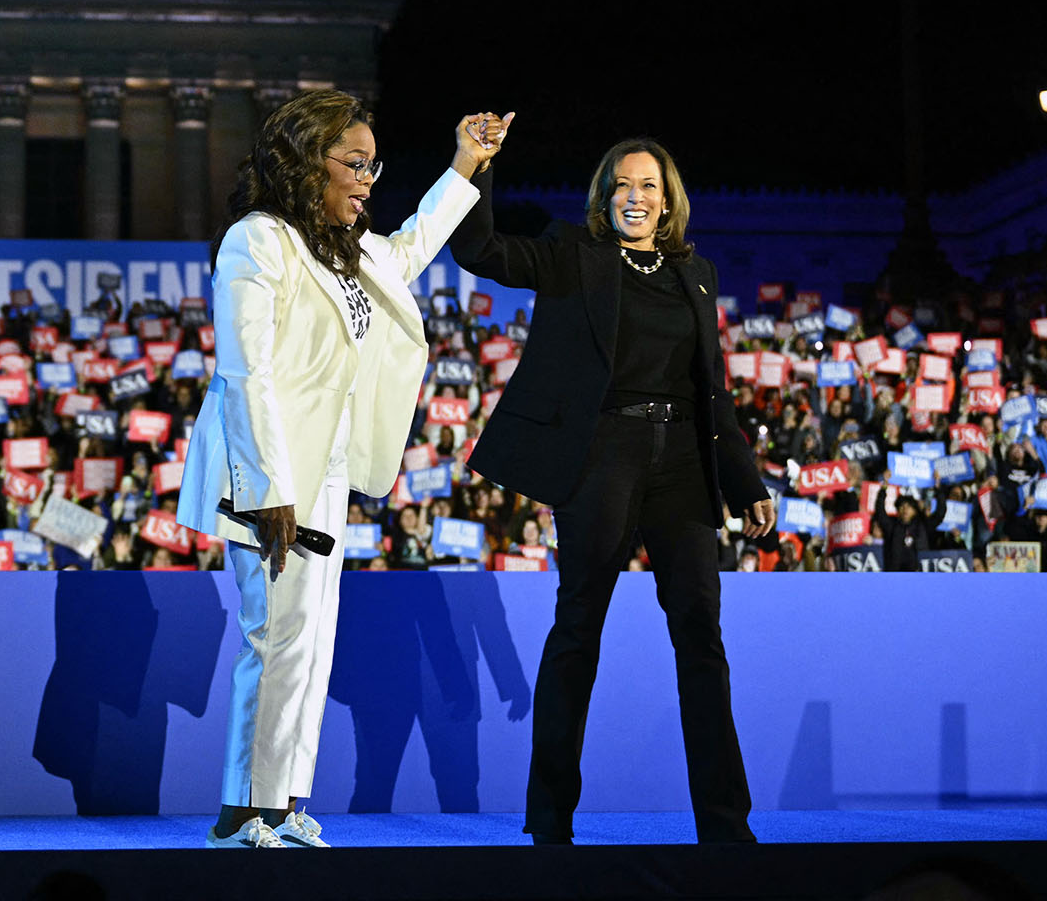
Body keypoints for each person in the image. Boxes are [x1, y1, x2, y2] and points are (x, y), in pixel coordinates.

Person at [175, 89, 505, 850]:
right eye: (353, 163)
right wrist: (267, 493)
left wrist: (464, 164)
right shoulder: (258, 241)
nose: (367, 179)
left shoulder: (348, 248)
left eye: (372, 164)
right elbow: (244, 374)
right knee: (274, 638)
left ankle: (284, 802)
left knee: (312, 642)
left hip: (324, 474)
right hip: (267, 474)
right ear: (302, 162)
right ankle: (241, 814)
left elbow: (416, 243)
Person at [447, 126, 776, 845]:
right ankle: (550, 818)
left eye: (648, 186)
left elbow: (712, 388)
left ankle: (725, 824)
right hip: (604, 455)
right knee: (578, 631)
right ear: (605, 197)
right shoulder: (574, 256)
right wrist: (475, 164)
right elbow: (477, 250)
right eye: (622, 185)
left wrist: (744, 480)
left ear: (668, 202)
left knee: (701, 636)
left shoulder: (698, 274)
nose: (635, 196)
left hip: (685, 462)